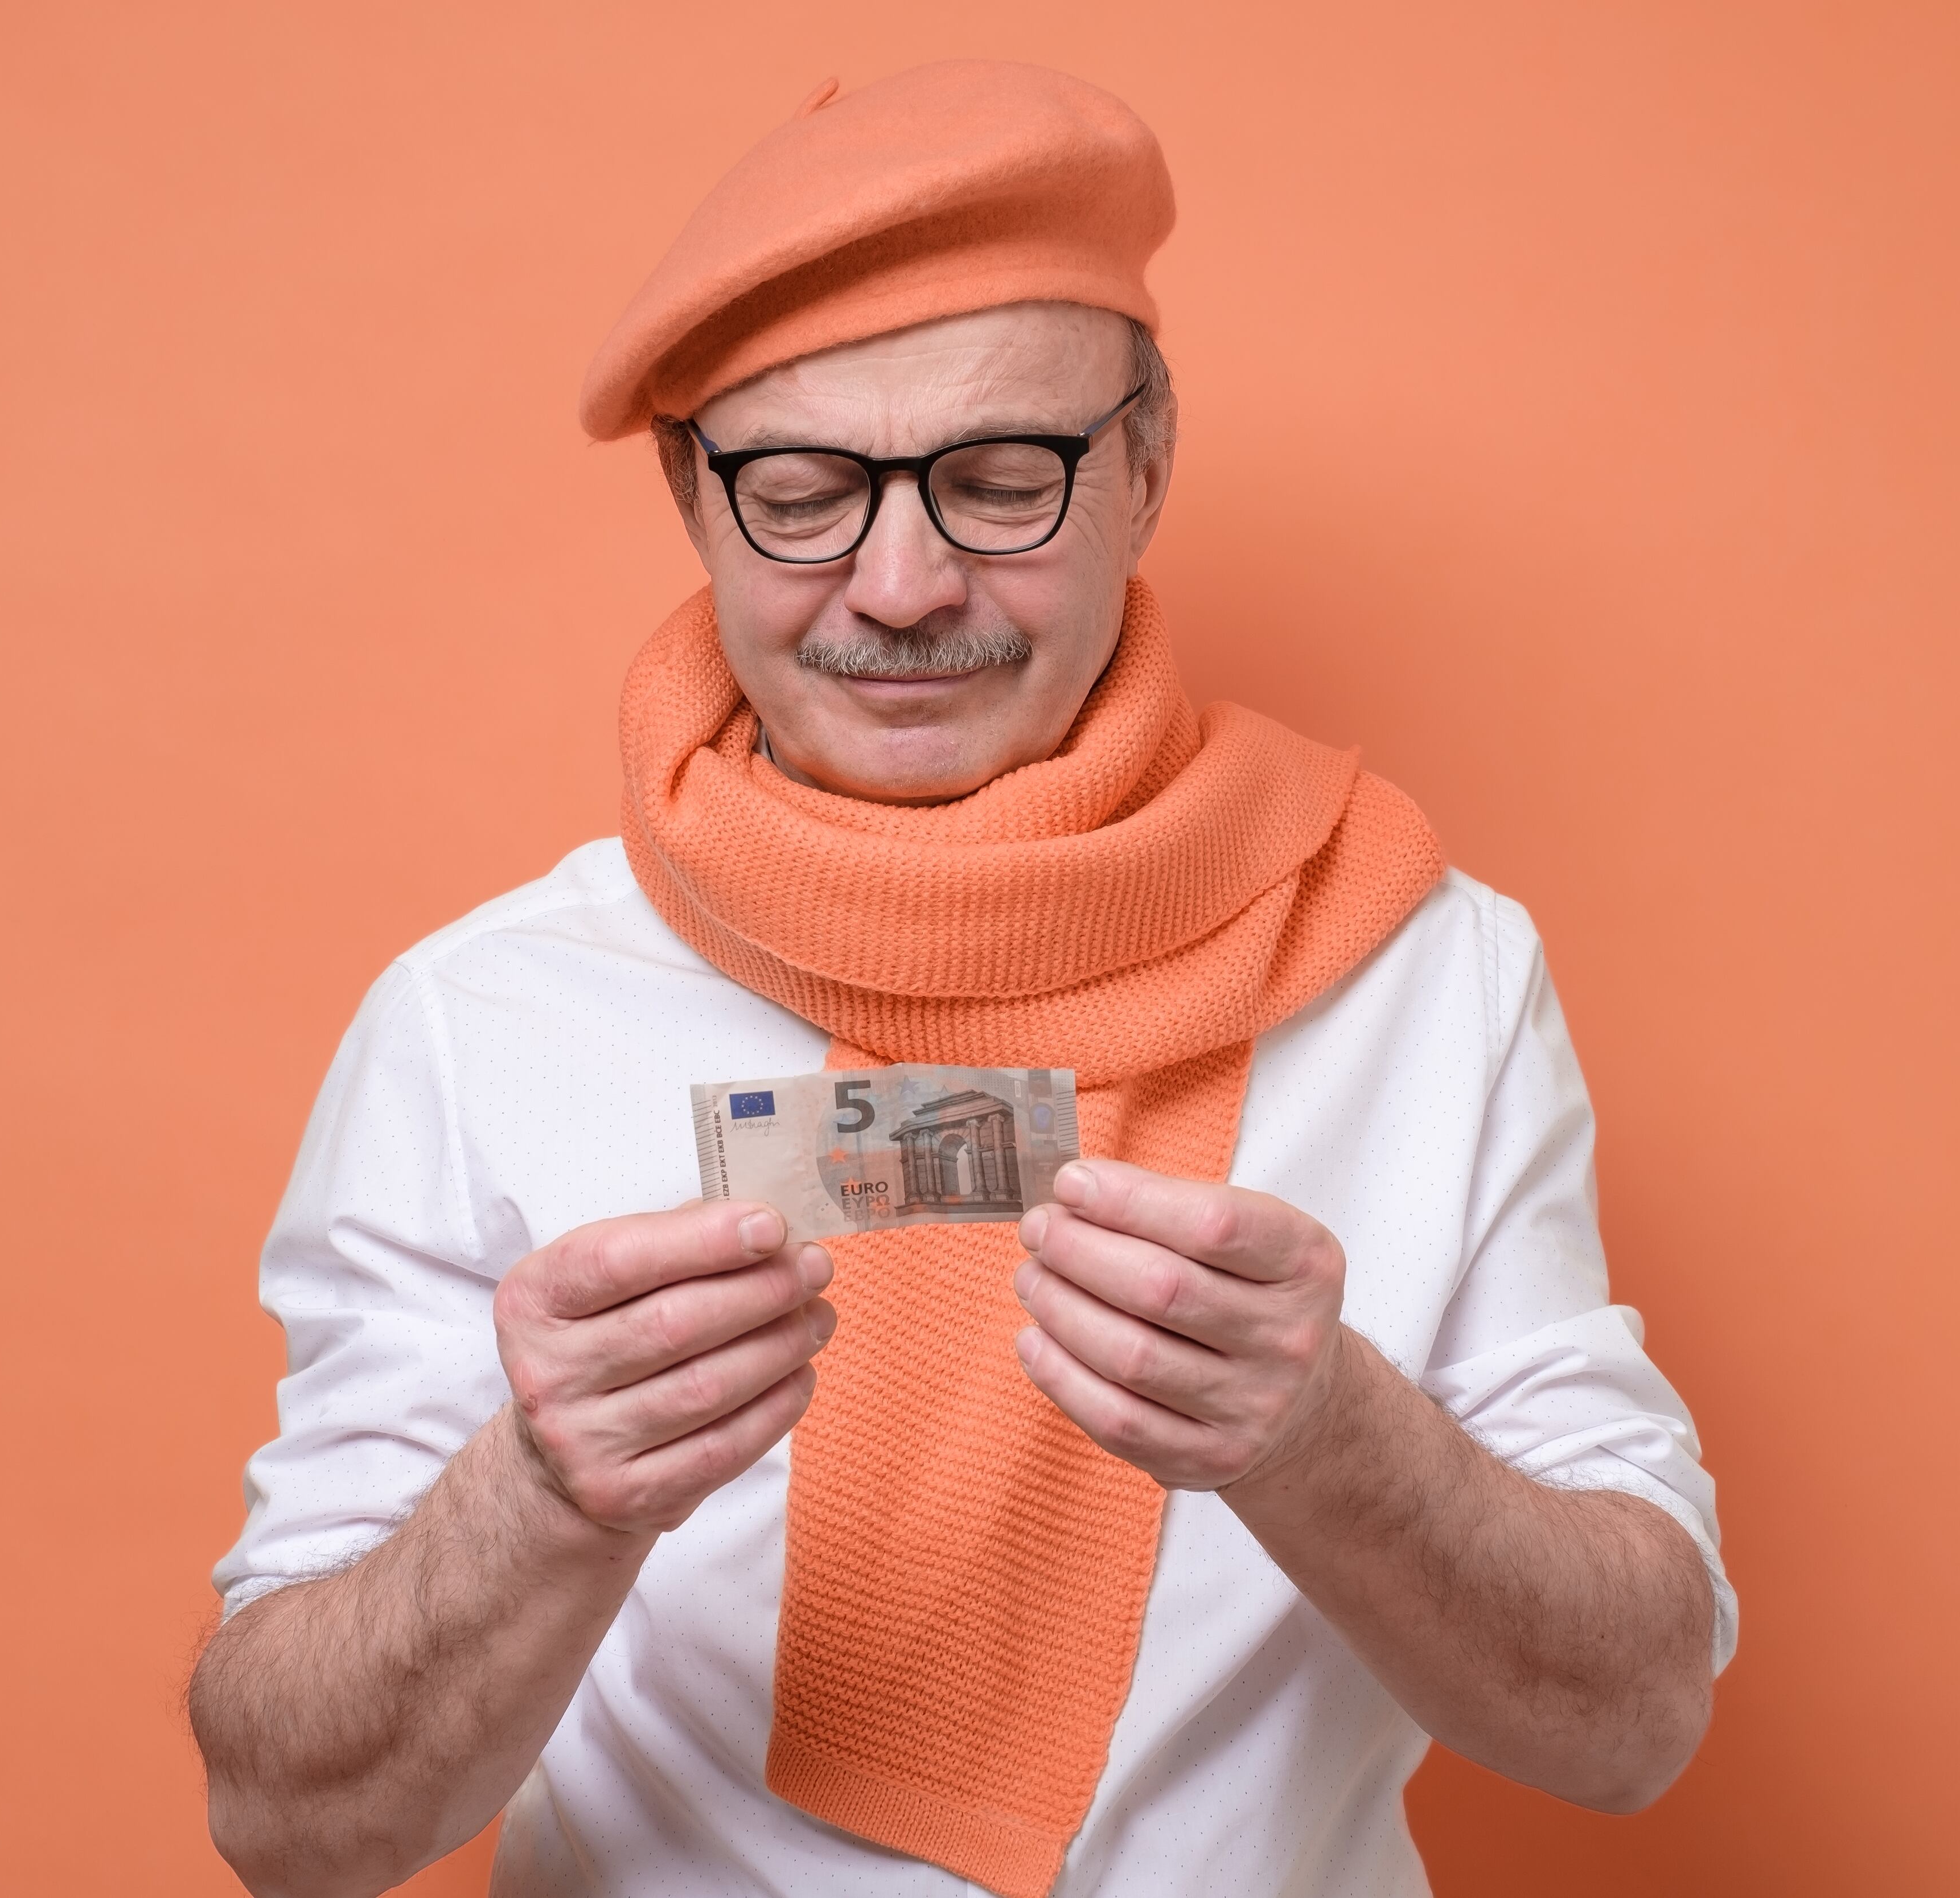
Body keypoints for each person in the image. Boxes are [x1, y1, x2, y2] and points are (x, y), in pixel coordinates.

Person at [188, 59, 1735, 1898]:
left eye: (1004, 480)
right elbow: (289, 1825)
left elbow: (1633, 1730)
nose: (906, 583)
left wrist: (1333, 1438)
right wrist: (539, 1493)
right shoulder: (478, 1021)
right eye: (804, 491)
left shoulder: (1426, 973)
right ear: (691, 496)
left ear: (1148, 472)